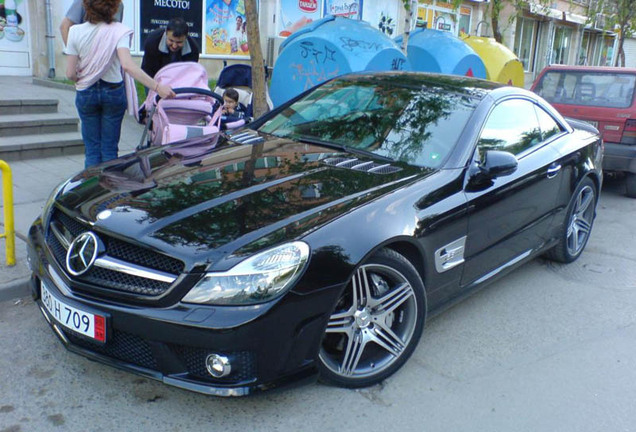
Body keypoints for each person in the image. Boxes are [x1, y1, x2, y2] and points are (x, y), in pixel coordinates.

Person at [65, 0, 175, 168]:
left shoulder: (74, 31)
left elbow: (70, 73)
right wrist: (158, 87)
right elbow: (128, 66)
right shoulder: (120, 31)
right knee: (109, 149)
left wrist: (82, 78)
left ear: (86, 6)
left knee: (92, 149)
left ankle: (93, 191)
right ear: (114, 8)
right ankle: (110, 189)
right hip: (113, 92)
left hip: (86, 92)